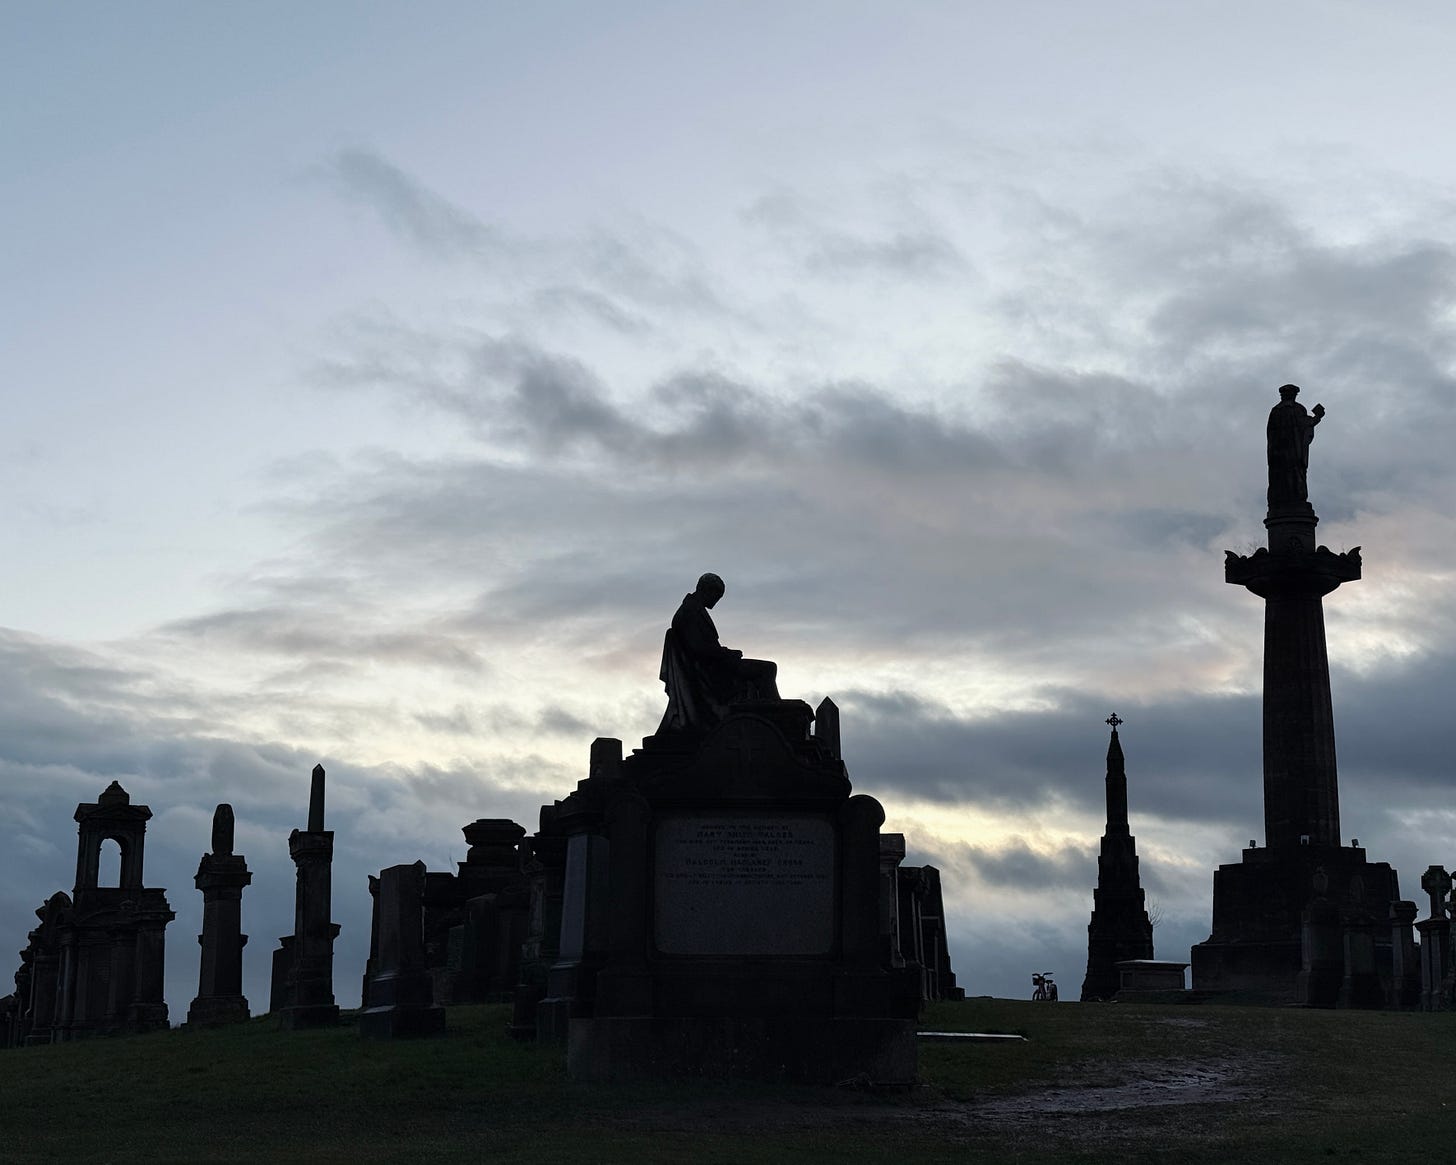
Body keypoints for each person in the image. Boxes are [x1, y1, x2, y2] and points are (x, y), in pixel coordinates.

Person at [657, 573, 779, 732]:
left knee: (767, 668)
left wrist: (726, 653)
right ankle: (777, 716)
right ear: (706, 590)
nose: (716, 601)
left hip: (715, 666)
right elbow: (698, 648)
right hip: (711, 672)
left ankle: (773, 713)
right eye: (716, 596)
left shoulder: (694, 609)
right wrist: (727, 653)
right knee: (767, 669)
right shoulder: (690, 611)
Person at [1267, 383, 1324, 506]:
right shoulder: (1297, 409)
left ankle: (1280, 500)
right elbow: (1307, 424)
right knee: (1294, 474)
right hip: (1293, 452)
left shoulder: (1276, 411)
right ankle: (1296, 498)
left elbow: (1270, 434)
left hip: (1278, 453)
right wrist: (1318, 417)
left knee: (1281, 476)